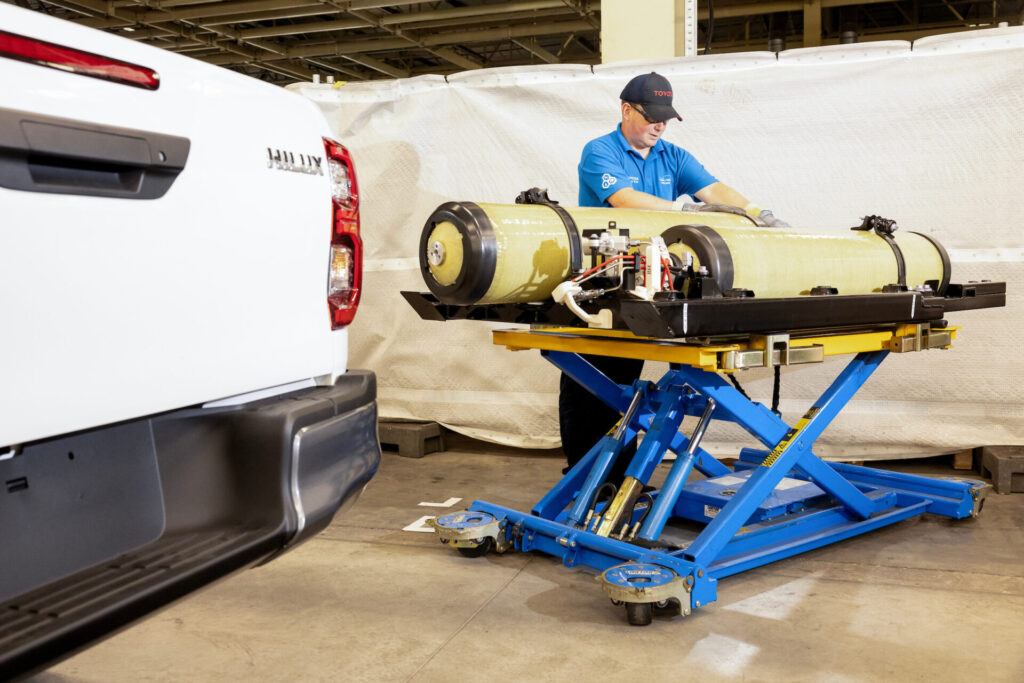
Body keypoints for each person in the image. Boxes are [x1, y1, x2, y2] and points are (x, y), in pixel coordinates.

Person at [559, 71, 788, 476]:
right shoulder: (600, 152)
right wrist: (686, 210)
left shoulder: (672, 156)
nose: (659, 125)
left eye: (666, 117)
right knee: (591, 384)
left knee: (625, 387)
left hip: (649, 282)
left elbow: (713, 189)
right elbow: (624, 199)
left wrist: (756, 213)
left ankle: (615, 477)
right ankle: (583, 478)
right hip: (603, 285)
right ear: (626, 110)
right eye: (651, 116)